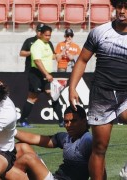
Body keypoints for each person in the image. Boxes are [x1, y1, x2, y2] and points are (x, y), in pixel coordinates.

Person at [69, 0, 127, 179]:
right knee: (99, 148)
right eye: (119, 6)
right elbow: (82, 60)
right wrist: (72, 88)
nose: (122, 11)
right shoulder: (99, 32)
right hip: (102, 96)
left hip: (126, 94)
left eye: (126, 7)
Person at [15, 105, 92, 180]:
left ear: (84, 121)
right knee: (21, 147)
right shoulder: (66, 137)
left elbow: (99, 167)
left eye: (73, 121)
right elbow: (35, 139)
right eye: (66, 121)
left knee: (28, 158)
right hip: (55, 177)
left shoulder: (87, 140)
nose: (69, 125)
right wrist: (12, 131)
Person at [19, 25, 64, 128]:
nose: (48, 37)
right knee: (32, 98)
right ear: (41, 34)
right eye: (46, 35)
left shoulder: (47, 44)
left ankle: (62, 121)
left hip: (46, 75)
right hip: (36, 74)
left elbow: (50, 56)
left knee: (54, 95)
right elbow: (37, 61)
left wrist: (57, 55)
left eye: (50, 35)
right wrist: (47, 74)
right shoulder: (36, 45)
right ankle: (22, 120)